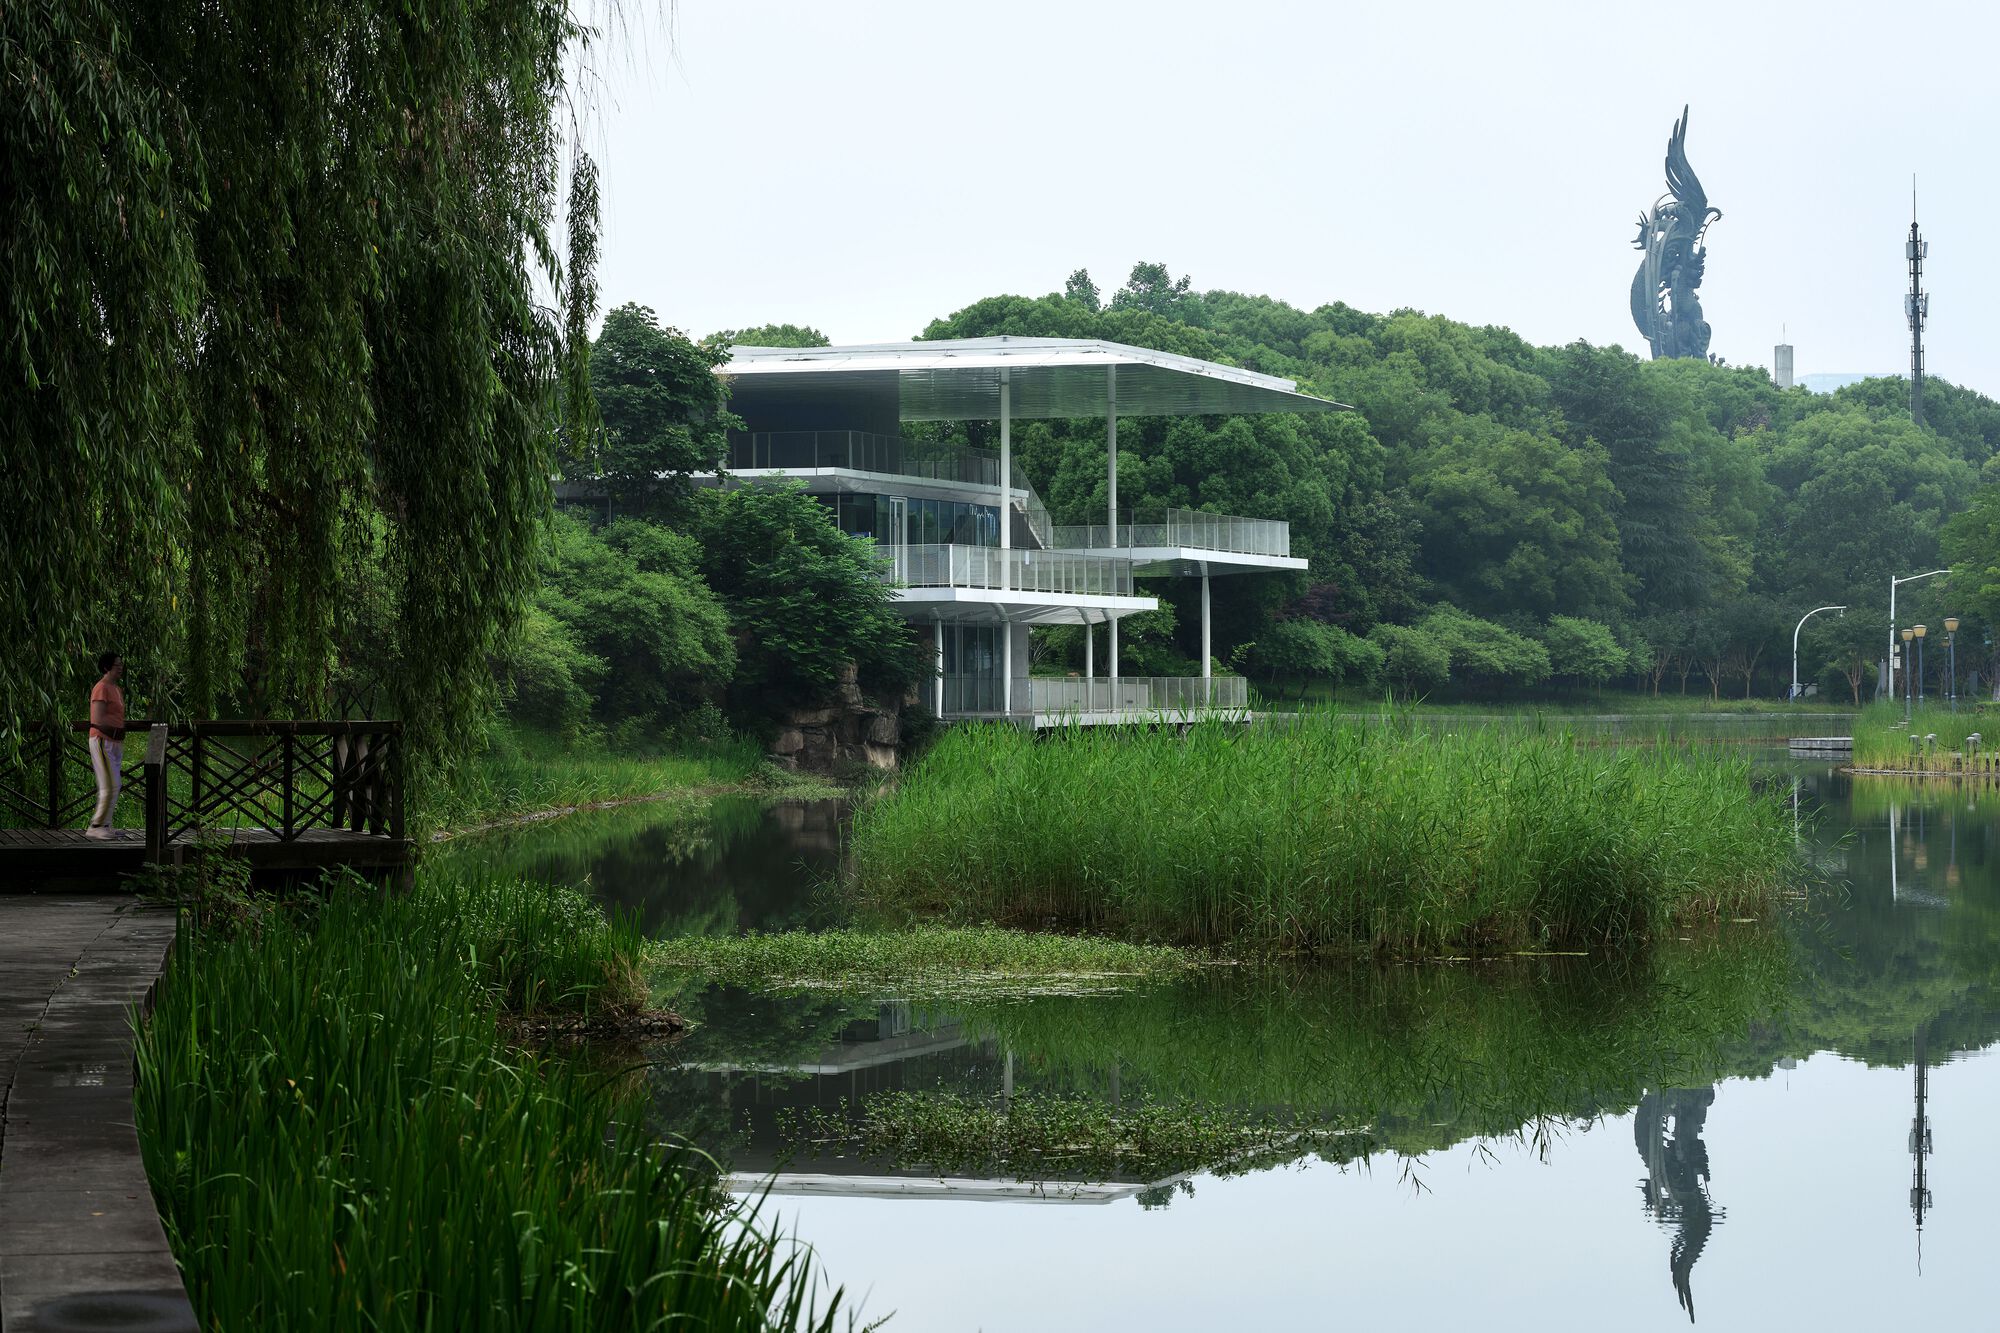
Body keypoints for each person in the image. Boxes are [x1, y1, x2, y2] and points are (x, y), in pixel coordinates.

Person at [86, 652, 126, 837]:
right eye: (117, 665)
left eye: (120, 664)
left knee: (115, 784)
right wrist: (113, 732)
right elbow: (96, 719)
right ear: (106, 667)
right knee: (109, 784)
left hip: (116, 742)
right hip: (102, 740)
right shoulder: (101, 687)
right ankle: (96, 827)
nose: (120, 667)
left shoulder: (116, 689)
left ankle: (105, 825)